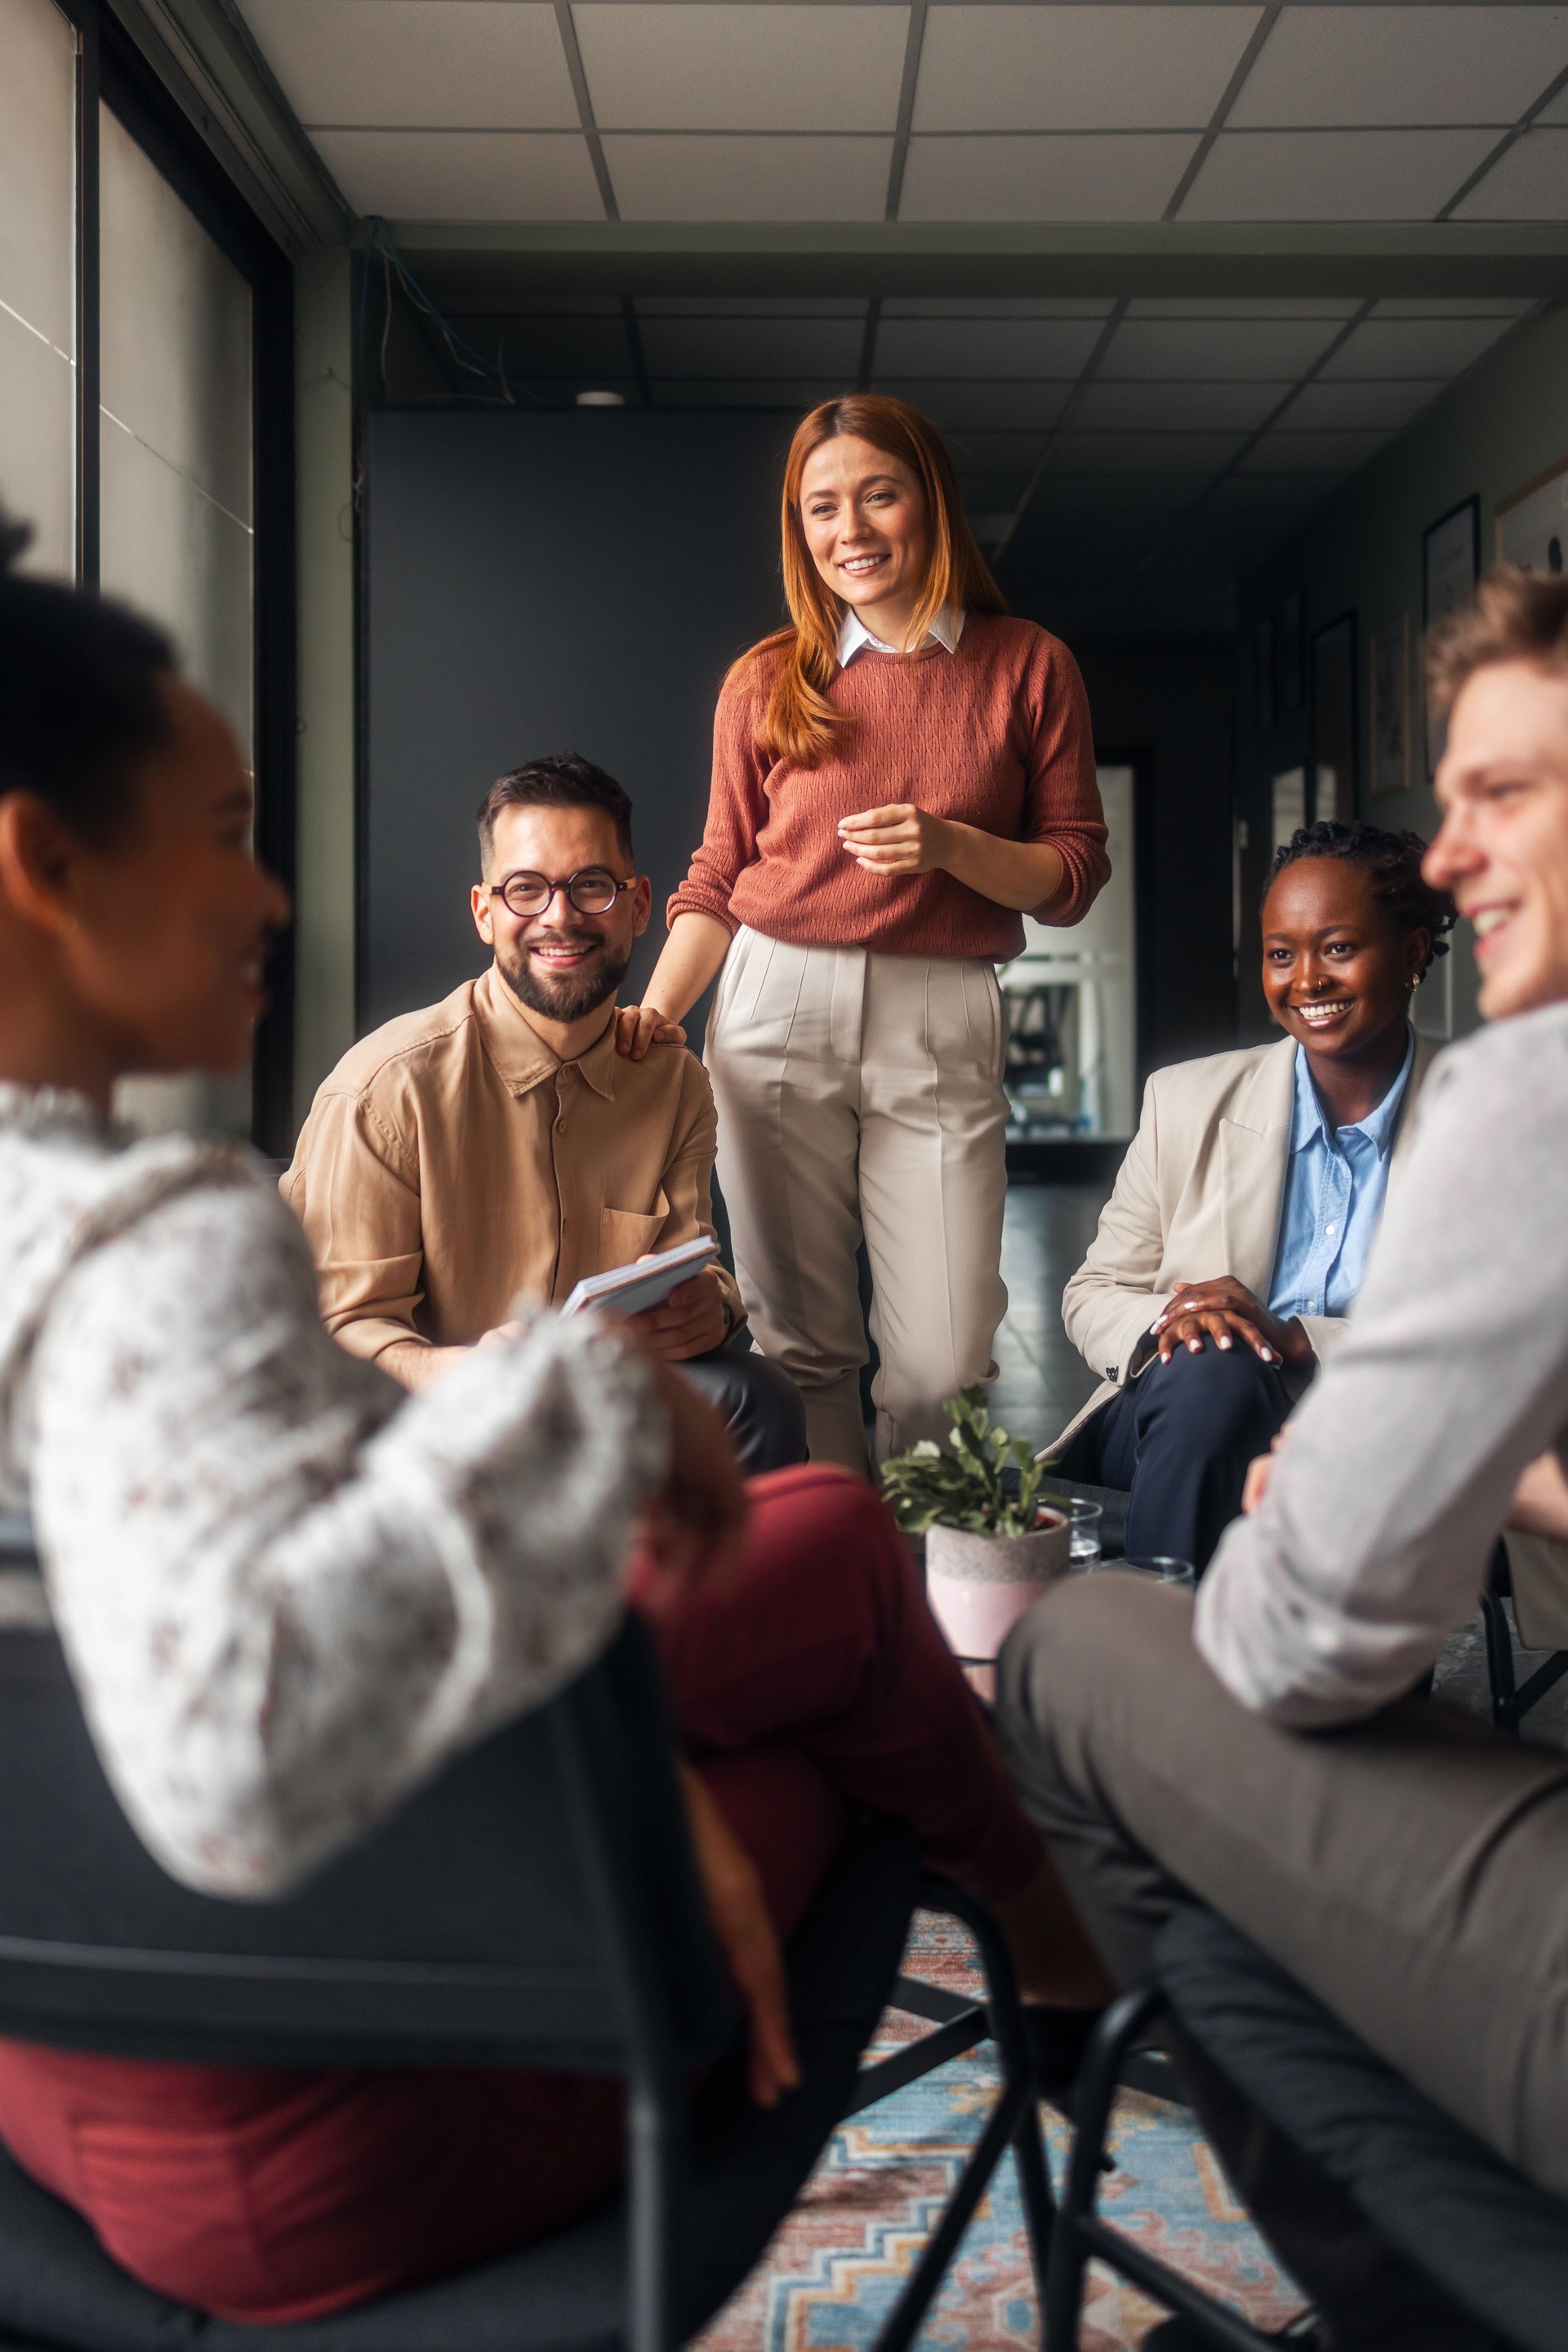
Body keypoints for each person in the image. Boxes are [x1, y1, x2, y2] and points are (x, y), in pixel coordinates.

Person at [0, 536, 1108, 2326]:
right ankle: (1051, 1954)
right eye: (217, 838)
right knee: (829, 1577)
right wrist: (560, 1401)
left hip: (43, 2102)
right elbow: (247, 1751)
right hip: (307, 2133)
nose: (270, 901)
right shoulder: (165, 1237)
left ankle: (938, 1884)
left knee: (788, 1565)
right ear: (44, 868)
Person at [997, 568, 1568, 2351]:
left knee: (1080, 1659)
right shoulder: (1210, 1103)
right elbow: (1105, 1288)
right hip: (1257, 1415)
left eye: (1510, 797)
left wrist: (1358, 1463)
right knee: (1212, 1379)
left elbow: (1306, 1636)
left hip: (1348, 1504)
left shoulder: (1514, 1105)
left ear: (1414, 955)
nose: (1465, 859)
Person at [617, 394, 1110, 1473]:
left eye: (878, 495)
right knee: (803, 1348)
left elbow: (1072, 874)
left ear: (931, 504)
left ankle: (936, 1598)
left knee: (944, 1354)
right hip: (774, 1000)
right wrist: (655, 1017)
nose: (851, 530)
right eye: (821, 507)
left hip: (941, 1007)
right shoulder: (764, 679)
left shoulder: (1028, 665)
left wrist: (951, 847)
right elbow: (716, 875)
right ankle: (847, 1602)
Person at [284, 753, 806, 1476]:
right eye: (527, 889)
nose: (560, 917)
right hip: (431, 1433)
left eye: (591, 886)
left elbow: (693, 1261)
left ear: (639, 904)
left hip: (600, 1412)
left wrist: (711, 1309)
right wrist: (467, 1372)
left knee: (757, 1397)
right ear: (485, 912)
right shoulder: (384, 1090)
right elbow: (336, 1333)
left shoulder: (674, 1083)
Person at [1046, 821, 1453, 1570]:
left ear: (1413, 954)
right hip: (1189, 1420)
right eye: (1280, 954)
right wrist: (1179, 1316)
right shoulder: (1186, 1100)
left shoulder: (1494, 1120)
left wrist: (1305, 1339)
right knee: (1213, 1363)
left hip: (1391, 1433)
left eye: (1338, 948)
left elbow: (1510, 1337)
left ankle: (1199, 1665)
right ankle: (1178, 1665)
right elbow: (1094, 1291)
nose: (1306, 982)